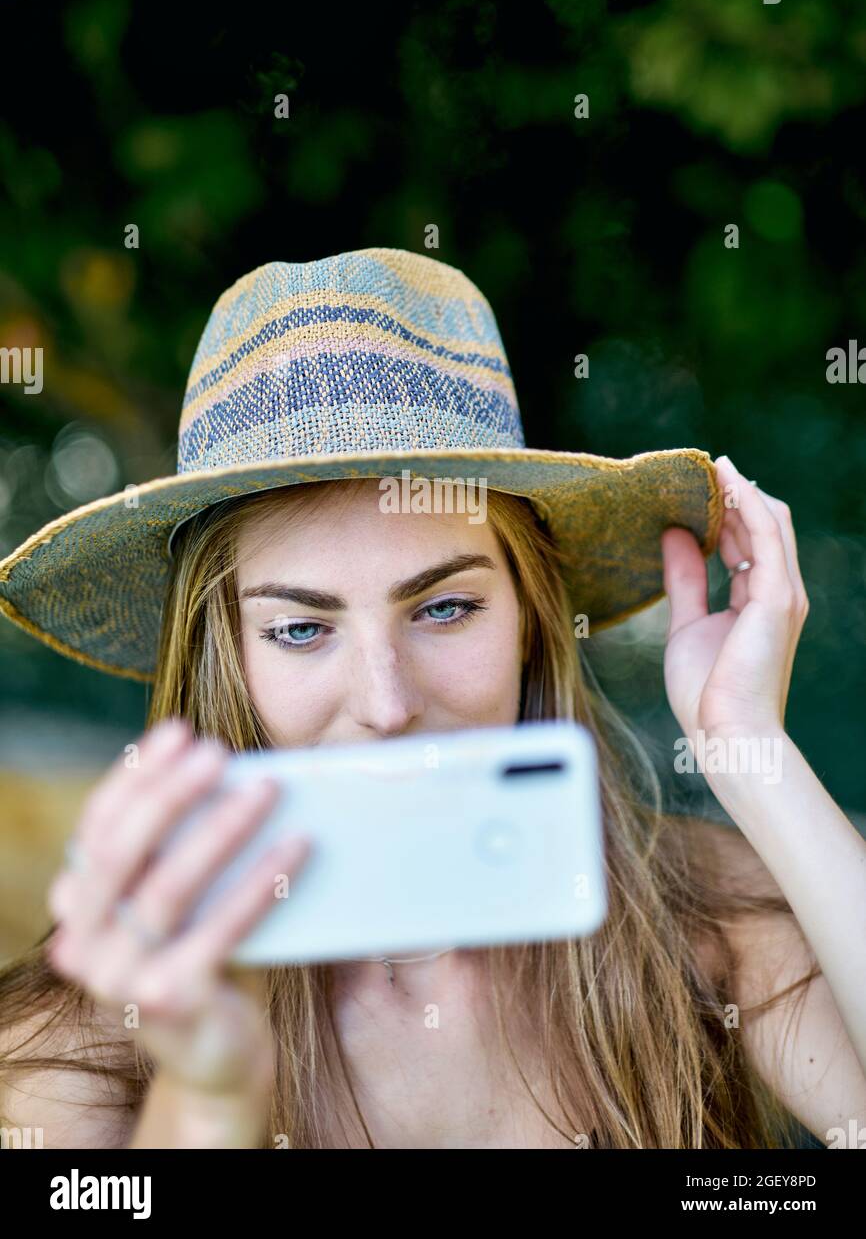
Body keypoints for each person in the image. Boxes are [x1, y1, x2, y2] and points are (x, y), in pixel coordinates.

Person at [0, 248, 863, 1149]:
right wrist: (209, 1101)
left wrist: (748, 746)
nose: (387, 704)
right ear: (228, 663)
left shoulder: (709, 919)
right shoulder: (73, 1052)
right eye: (301, 629)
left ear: (532, 615)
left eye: (446, 607)